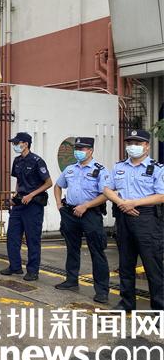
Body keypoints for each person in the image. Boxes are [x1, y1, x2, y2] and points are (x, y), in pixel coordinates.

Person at [103, 129, 164, 312]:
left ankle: (159, 308)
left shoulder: (157, 168)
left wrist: (134, 203)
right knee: (126, 264)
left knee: (153, 266)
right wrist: (122, 203)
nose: (132, 147)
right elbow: (107, 189)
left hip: (147, 219)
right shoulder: (119, 167)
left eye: (137, 143)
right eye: (130, 143)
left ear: (147, 146)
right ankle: (126, 303)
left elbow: (161, 195)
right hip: (123, 217)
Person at [53, 137, 110, 304]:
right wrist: (59, 204)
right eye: (76, 148)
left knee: (97, 251)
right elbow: (58, 185)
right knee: (72, 248)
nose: (78, 151)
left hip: (90, 213)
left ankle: (102, 291)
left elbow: (106, 194)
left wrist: (86, 206)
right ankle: (71, 280)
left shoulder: (100, 170)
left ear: (90, 151)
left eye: (82, 149)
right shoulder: (70, 169)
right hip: (70, 213)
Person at [0, 132, 52, 281]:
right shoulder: (17, 161)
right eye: (14, 143)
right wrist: (15, 195)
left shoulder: (37, 161)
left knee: (32, 238)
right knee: (12, 236)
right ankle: (15, 266)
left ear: (26, 144)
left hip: (33, 205)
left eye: (17, 143)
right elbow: (18, 181)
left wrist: (31, 195)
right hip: (19, 204)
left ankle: (33, 271)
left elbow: (49, 183)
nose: (14, 145)